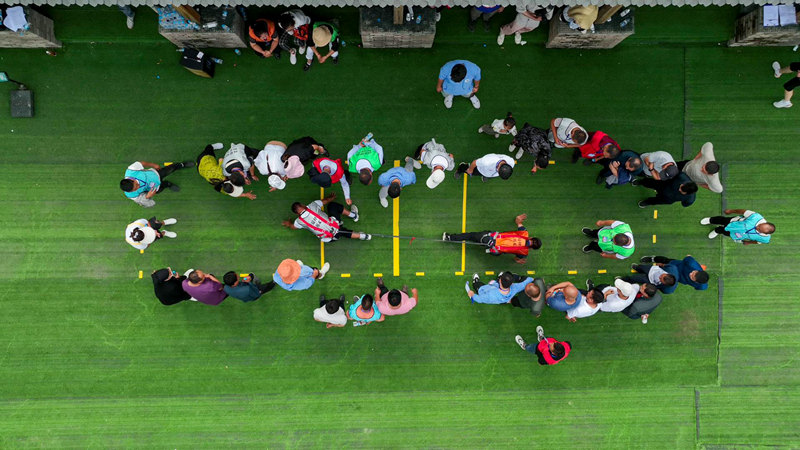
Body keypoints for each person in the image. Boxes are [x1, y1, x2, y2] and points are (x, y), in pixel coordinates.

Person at [443, 213, 541, 264]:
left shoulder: (524, 232)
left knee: (471, 236)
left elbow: (518, 220)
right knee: (480, 240)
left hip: (489, 238)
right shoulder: (524, 253)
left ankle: (450, 237)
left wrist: (519, 218)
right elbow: (516, 259)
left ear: (531, 237)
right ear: (531, 248)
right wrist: (518, 260)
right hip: (495, 251)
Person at [282, 193, 370, 242]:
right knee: (332, 206)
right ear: (303, 205)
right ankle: (354, 215)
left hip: (329, 238)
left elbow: (293, 227)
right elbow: (326, 201)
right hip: (336, 225)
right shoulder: (313, 205)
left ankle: (364, 236)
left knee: (343, 232)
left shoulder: (299, 221)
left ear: (297, 214)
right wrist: (331, 197)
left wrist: (289, 223)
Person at [120, 159, 194, 207]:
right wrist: (147, 196)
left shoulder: (131, 171)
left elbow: (141, 163)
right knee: (162, 187)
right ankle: (168, 184)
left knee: (171, 168)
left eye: (136, 185)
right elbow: (140, 200)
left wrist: (153, 165)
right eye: (135, 189)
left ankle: (182, 164)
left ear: (132, 180)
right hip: (154, 188)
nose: (138, 187)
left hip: (156, 173)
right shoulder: (130, 195)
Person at [700, 209, 775, 244]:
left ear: (765, 233)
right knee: (722, 220)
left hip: (736, 234)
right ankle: (710, 220)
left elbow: (758, 242)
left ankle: (717, 230)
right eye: (759, 225)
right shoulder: (756, 217)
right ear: (765, 222)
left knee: (725, 232)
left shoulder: (765, 239)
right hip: (733, 222)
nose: (757, 227)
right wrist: (731, 211)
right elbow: (744, 212)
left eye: (759, 229)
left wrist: (748, 243)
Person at [640, 255, 709, 290]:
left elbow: (703, 287)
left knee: (663, 278)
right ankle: (653, 259)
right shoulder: (692, 263)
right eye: (694, 272)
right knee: (664, 260)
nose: (691, 273)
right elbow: (688, 256)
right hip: (674, 265)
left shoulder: (701, 286)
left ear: (696, 282)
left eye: (692, 276)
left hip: (676, 277)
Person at [465, 272, 535, 304]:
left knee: (478, 286)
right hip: (502, 300)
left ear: (500, 281)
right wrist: (533, 279)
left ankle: (475, 281)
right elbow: (525, 283)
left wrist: (472, 295)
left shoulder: (490, 295)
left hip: (486, 289)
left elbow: (480, 299)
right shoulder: (515, 287)